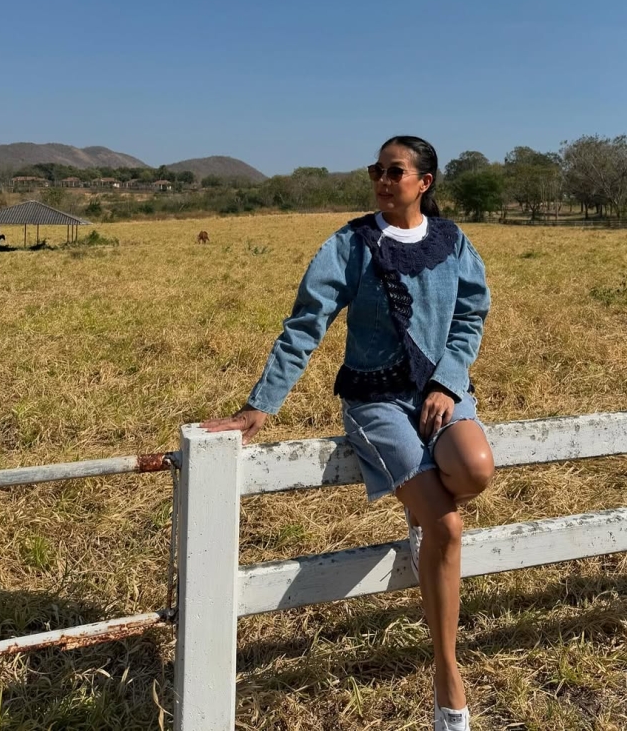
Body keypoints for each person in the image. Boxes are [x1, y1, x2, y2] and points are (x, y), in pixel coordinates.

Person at [201, 135, 494, 730]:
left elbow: (470, 315)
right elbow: (305, 324)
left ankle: (422, 517)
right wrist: (260, 406)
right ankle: (447, 678)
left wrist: (447, 381)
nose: (382, 181)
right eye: (376, 171)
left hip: (439, 392)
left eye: (394, 171)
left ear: (424, 182)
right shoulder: (350, 244)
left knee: (475, 469)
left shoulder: (452, 241)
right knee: (446, 523)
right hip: (375, 400)